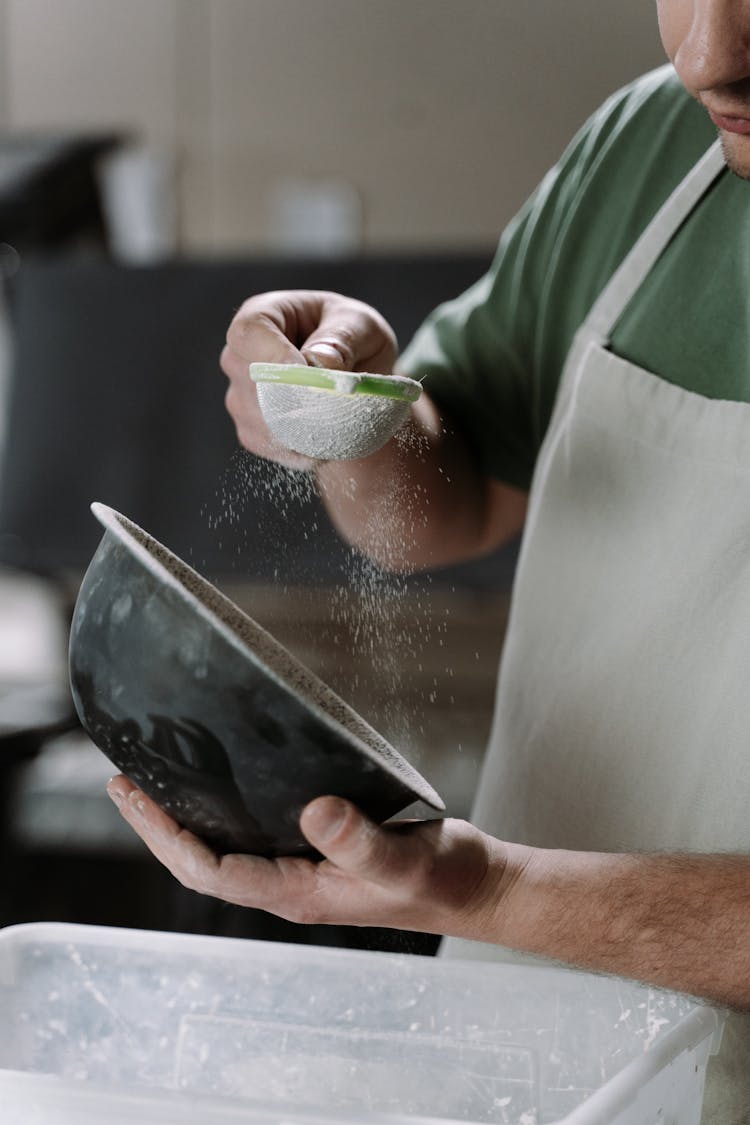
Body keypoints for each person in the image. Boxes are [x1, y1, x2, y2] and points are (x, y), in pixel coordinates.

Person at [107, 3, 750, 1120]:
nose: (709, 55)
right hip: (532, 1061)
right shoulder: (654, 149)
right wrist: (355, 418)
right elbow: (438, 515)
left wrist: (484, 883)